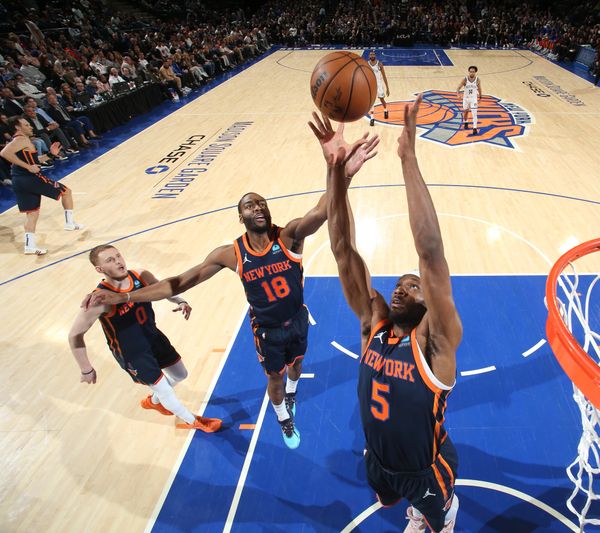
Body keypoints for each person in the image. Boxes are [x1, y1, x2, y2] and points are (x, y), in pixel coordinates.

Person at [85, 122, 379, 449]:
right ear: (241, 217)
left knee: (297, 366)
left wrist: (341, 171)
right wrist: (126, 294)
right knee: (275, 378)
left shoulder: (289, 236)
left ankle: (292, 397)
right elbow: (176, 283)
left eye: (260, 203)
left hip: (297, 319)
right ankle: (283, 415)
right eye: (249, 205)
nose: (257, 207)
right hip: (266, 329)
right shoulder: (230, 254)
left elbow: (324, 209)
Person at [319, 95, 461, 532]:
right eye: (399, 283)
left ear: (427, 303)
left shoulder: (435, 341)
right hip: (377, 458)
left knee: (438, 525)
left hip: (428, 472)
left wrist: (408, 157)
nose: (402, 287)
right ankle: (410, 509)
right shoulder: (374, 324)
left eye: (412, 285)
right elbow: (343, 251)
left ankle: (437, 514)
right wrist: (336, 176)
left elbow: (431, 253)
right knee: (385, 503)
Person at [68, 245, 221, 432]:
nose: (118, 261)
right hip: (132, 352)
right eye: (109, 260)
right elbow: (74, 335)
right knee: (164, 389)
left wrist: (180, 301)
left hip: (153, 336)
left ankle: (154, 401)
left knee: (181, 374)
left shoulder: (140, 276)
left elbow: (164, 289)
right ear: (99, 270)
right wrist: (86, 369)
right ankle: (194, 421)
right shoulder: (98, 300)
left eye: (118, 255)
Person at [0, 116, 84, 255]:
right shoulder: (20, 139)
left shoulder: (22, 141)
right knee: (66, 191)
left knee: (32, 213)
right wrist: (28, 167)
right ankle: (70, 223)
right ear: (17, 127)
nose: (30, 126)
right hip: (29, 178)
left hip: (19, 181)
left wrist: (51, 155)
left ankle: (29, 246)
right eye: (26, 125)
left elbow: (35, 160)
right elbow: (4, 153)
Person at [456, 66, 481, 136]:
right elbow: (458, 87)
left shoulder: (477, 80)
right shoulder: (465, 79)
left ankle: (475, 128)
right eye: (470, 71)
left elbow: (479, 88)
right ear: (469, 72)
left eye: (473, 72)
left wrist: (481, 96)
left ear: (475, 72)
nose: (471, 73)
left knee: (474, 114)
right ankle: (466, 122)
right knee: (466, 112)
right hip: (466, 98)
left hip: (473, 99)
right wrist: (458, 94)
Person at [367, 50, 390, 127]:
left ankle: (385, 110)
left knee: (382, 99)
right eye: (371, 54)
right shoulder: (366, 64)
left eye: (373, 54)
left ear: (375, 56)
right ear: (369, 56)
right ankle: (372, 118)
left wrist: (387, 88)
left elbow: (384, 76)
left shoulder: (379, 64)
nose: (372, 56)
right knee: (372, 102)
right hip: (371, 85)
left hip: (379, 85)